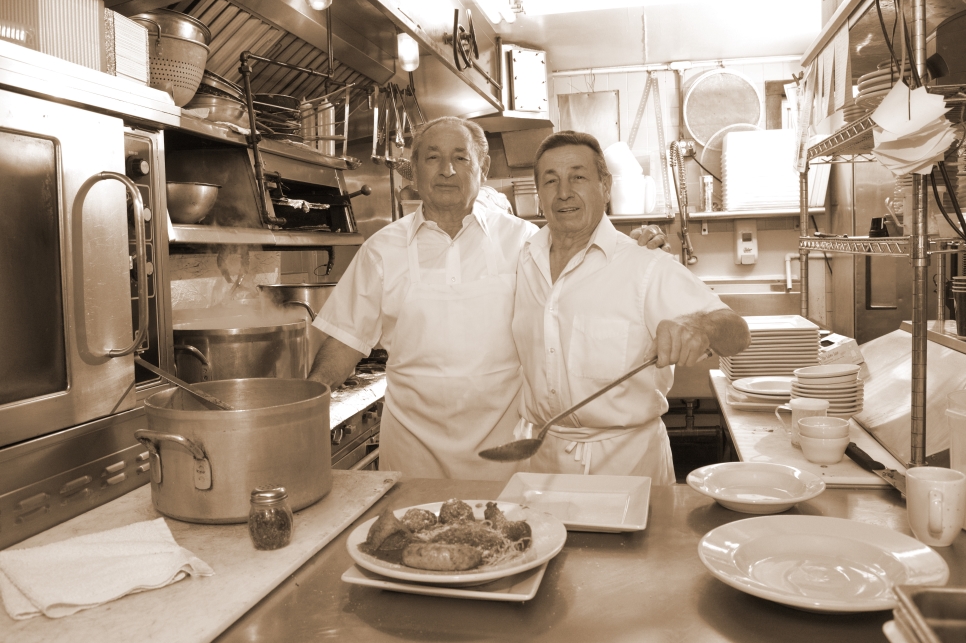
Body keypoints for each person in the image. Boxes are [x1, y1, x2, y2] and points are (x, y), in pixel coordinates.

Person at [307, 116, 667, 480]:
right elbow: (344, 341)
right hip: (412, 454)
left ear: (484, 167)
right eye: (432, 158)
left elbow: (589, 271)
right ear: (414, 171)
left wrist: (635, 249)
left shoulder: (525, 240)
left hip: (506, 454)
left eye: (461, 157)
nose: (447, 170)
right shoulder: (381, 250)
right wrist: (306, 407)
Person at [511, 130, 750, 485]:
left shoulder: (644, 263)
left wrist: (701, 326)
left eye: (578, 177)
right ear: (539, 194)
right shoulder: (521, 260)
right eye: (551, 180)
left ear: (605, 186)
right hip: (543, 463)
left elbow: (737, 333)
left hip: (627, 466)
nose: (563, 192)